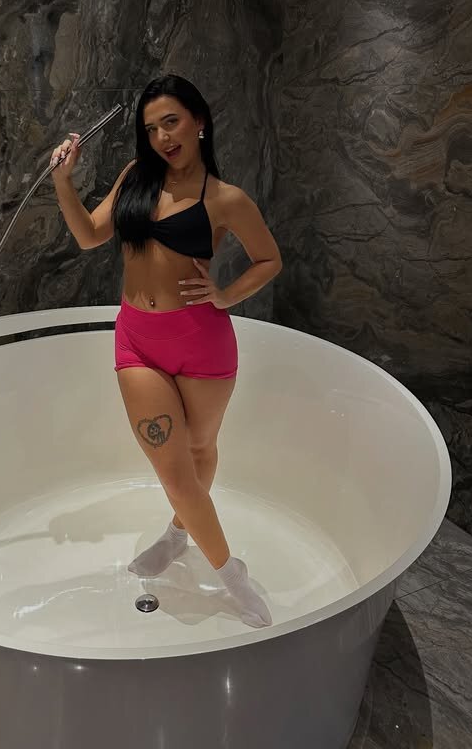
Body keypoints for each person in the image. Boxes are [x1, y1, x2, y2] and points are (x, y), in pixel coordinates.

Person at [50, 74, 282, 627]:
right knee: (175, 472)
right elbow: (89, 234)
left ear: (199, 121)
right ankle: (232, 575)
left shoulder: (225, 198)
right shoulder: (135, 177)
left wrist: (225, 295)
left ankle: (179, 535)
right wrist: (63, 181)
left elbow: (269, 259)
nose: (162, 137)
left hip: (202, 342)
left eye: (171, 122)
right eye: (151, 128)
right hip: (137, 342)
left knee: (200, 449)